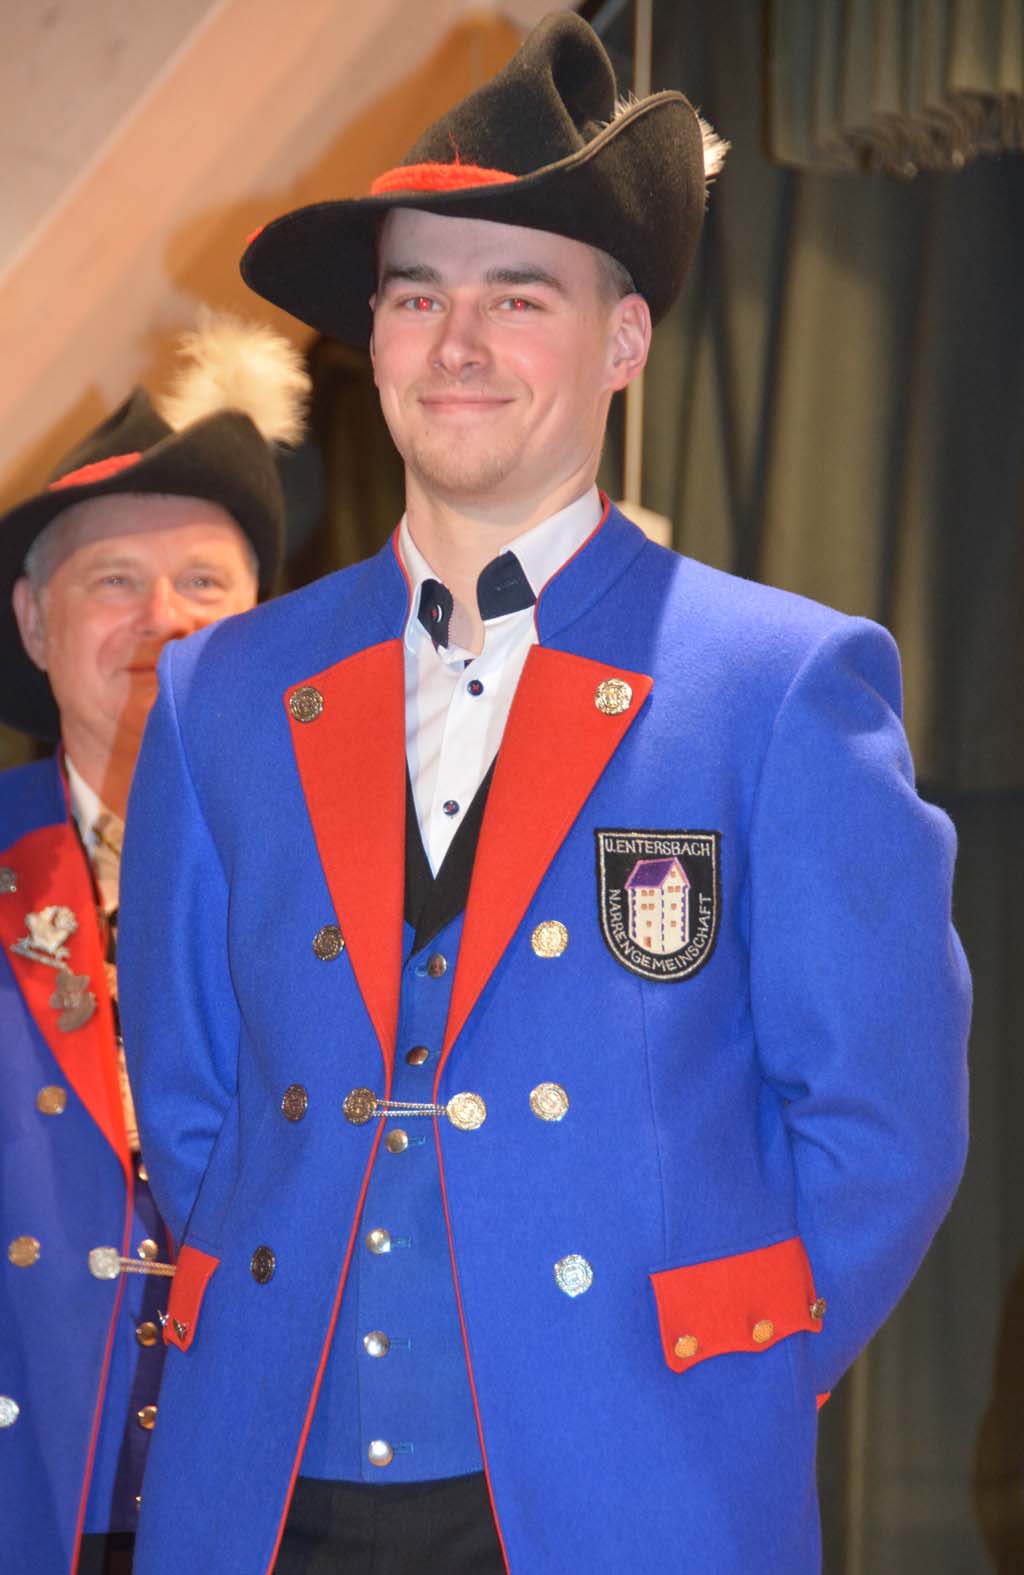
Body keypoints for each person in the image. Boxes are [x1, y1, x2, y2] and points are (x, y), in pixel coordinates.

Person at [118, 14, 970, 1574]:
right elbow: (191, 1101)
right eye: (416, 295)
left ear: (624, 341)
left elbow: (883, 1122)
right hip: (268, 1486)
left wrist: (714, 1377)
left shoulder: (779, 684)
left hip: (631, 1486)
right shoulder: (218, 692)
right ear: (373, 337)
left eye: (518, 296)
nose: (457, 342)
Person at [0, 314, 309, 1575]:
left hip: (268, 1489)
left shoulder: (357, 884)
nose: (164, 621)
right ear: (35, 621)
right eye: (114, 581)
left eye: (205, 586)